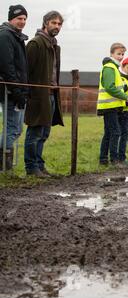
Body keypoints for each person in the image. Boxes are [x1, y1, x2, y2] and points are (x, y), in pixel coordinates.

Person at [24, 11, 65, 177]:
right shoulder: (35, 43)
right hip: (38, 96)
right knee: (34, 132)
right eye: (53, 23)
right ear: (45, 23)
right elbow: (26, 72)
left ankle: (39, 166)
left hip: (51, 95)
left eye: (59, 24)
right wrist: (29, 95)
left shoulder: (55, 46)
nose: (56, 26)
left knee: (44, 133)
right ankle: (31, 168)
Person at [0, 4, 28, 171]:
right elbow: (7, 66)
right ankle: (5, 167)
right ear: (11, 18)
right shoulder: (5, 36)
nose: (22, 22)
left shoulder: (17, 36)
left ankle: (4, 166)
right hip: (9, 91)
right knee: (12, 129)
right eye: (19, 18)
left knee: (16, 129)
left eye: (25, 19)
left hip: (18, 90)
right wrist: (16, 91)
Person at [96, 43, 128, 167]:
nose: (120, 56)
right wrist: (125, 96)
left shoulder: (114, 68)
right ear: (112, 53)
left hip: (113, 106)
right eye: (118, 54)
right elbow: (110, 87)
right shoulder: (109, 68)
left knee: (108, 133)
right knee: (115, 132)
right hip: (109, 106)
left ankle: (103, 160)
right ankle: (114, 160)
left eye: (122, 54)